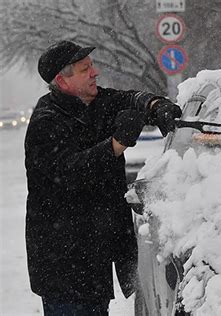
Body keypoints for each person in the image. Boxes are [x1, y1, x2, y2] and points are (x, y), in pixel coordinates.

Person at [24, 40, 182, 315]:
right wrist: (115, 145)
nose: (95, 72)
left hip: (93, 260)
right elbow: (68, 174)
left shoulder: (95, 101)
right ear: (62, 80)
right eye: (85, 69)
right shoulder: (46, 121)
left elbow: (131, 99)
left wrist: (155, 105)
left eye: (92, 66)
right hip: (63, 263)